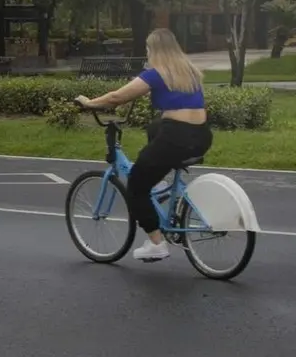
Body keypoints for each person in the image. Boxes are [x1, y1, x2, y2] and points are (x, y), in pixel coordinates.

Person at [74, 27, 212, 262]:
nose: (147, 54)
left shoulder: (157, 73)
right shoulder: (189, 72)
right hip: (201, 136)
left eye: (148, 49)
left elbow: (117, 97)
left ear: (154, 50)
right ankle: (158, 185)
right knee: (155, 127)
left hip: (175, 139)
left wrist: (88, 103)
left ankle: (156, 243)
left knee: (136, 185)